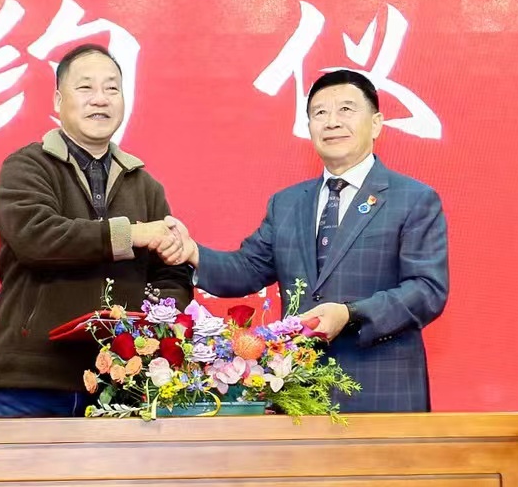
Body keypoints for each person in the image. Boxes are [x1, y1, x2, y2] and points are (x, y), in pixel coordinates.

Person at [166, 70, 447, 412]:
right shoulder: (287, 203)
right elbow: (247, 268)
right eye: (320, 112)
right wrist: (193, 252)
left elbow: (426, 290)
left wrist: (350, 314)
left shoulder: (413, 199)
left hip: (382, 389)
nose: (332, 122)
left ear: (376, 124)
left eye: (346, 109)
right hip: (300, 392)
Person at [0, 44, 191, 417]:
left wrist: (151, 334)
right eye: (86, 87)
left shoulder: (147, 186)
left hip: (124, 384)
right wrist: (132, 234)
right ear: (58, 99)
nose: (101, 99)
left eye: (112, 89)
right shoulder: (26, 167)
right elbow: (36, 238)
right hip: (32, 382)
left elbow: (171, 274)